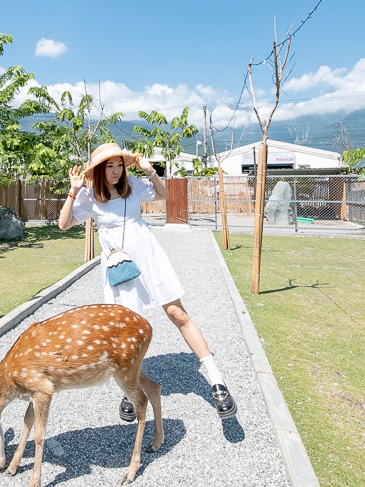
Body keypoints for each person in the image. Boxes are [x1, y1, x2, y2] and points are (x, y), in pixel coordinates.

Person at [58, 142, 237, 420]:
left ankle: (217, 382)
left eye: (119, 165)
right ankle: (130, 391)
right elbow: (63, 223)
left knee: (178, 314)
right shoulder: (90, 196)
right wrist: (73, 190)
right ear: (99, 170)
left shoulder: (133, 185)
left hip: (149, 256)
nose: (116, 171)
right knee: (128, 331)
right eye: (110, 166)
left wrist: (151, 171)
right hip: (119, 266)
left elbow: (163, 195)